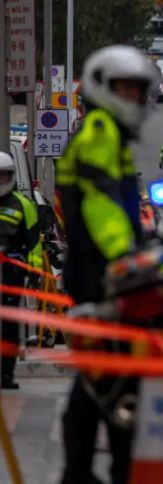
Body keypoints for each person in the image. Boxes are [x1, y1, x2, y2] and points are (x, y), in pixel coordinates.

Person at [56, 44, 159, 484]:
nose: (131, 97)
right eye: (123, 88)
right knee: (108, 378)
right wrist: (126, 256)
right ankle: (88, 472)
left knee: (106, 377)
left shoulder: (111, 132)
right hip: (100, 273)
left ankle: (91, 471)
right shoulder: (100, 129)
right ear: (101, 87)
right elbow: (101, 204)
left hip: (99, 270)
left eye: (137, 89)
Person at [0, 152, 43, 389]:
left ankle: (6, 374)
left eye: (3, 176)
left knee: (9, 325)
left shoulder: (23, 204)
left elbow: (34, 242)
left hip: (11, 272)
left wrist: (35, 270)